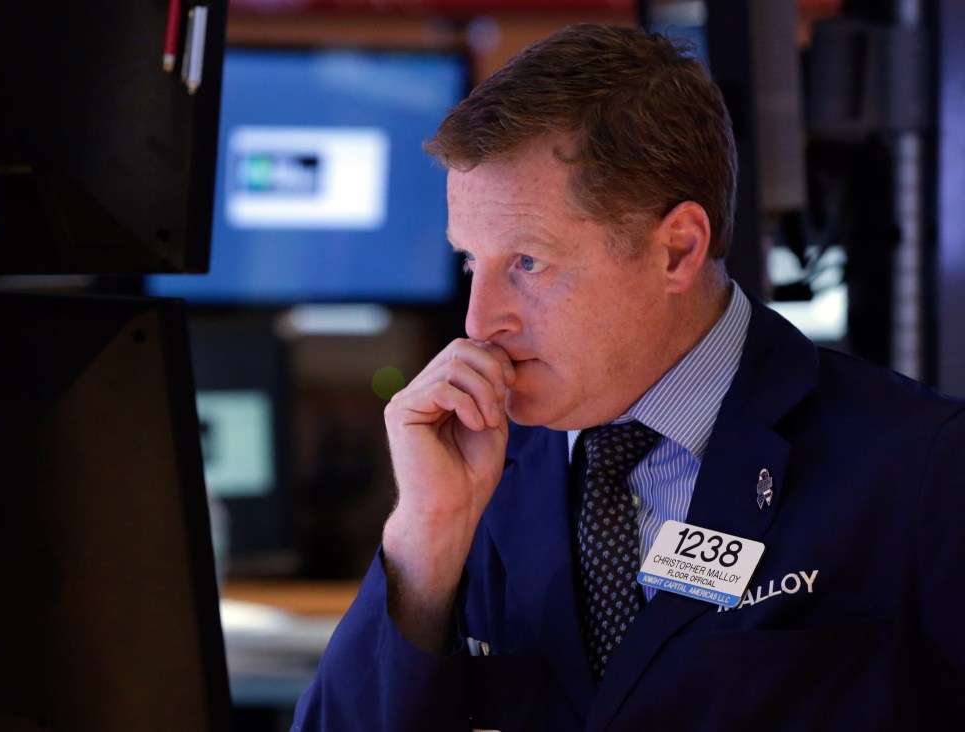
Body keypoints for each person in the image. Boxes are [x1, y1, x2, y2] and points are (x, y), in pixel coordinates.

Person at [292, 24, 965, 731]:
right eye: (470, 263)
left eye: (528, 263)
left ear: (676, 249)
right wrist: (425, 535)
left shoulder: (923, 471)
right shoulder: (477, 475)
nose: (479, 321)